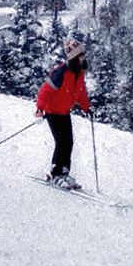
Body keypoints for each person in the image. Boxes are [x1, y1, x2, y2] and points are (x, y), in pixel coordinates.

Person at [35, 38, 92, 190]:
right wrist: (39, 110)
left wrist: (86, 108)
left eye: (83, 54)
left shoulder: (79, 73)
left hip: (65, 112)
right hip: (53, 112)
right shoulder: (60, 73)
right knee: (61, 143)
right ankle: (56, 175)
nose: (83, 58)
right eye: (80, 55)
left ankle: (64, 172)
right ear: (73, 57)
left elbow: (81, 92)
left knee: (69, 142)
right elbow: (44, 92)